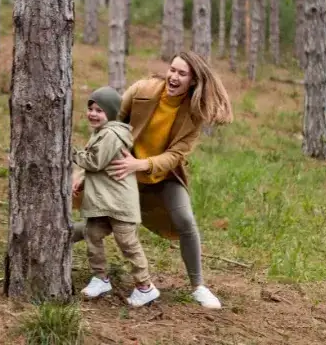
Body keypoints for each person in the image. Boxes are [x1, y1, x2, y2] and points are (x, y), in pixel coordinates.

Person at [72, 51, 233, 309]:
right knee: (100, 223)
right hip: (124, 173)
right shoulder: (142, 90)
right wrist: (84, 172)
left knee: (185, 220)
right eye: (172, 70)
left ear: (192, 80)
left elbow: (175, 155)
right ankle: (50, 245)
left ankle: (198, 286)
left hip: (162, 176)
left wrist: (143, 164)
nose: (174, 76)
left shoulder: (194, 113)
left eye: (182, 73)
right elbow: (108, 127)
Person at [71, 86, 160, 307]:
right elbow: (100, 165)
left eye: (99, 110)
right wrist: (82, 178)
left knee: (128, 243)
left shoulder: (111, 134)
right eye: (91, 108)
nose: (92, 113)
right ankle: (100, 278)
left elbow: (95, 161)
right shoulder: (101, 133)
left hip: (119, 204)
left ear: (110, 113)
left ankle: (145, 287)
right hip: (104, 202)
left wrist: (69, 152)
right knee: (92, 234)